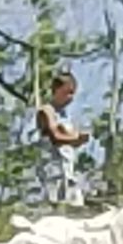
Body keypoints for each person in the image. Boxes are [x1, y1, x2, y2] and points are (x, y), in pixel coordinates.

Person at [35, 68, 92, 203]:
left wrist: (79, 139)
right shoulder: (46, 111)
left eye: (73, 93)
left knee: (75, 204)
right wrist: (76, 138)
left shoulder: (66, 116)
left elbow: (70, 139)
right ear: (57, 89)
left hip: (67, 170)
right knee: (54, 206)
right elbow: (55, 137)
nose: (71, 97)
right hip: (52, 172)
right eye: (68, 92)